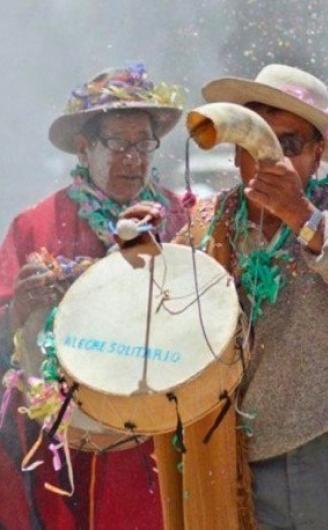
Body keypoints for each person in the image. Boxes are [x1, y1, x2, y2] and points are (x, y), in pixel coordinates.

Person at [153, 64, 328, 530]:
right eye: (257, 140)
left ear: (317, 154)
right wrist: (141, 253)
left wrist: (300, 214)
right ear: (236, 151)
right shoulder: (212, 222)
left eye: (289, 144)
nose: (271, 158)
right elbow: (170, 313)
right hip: (246, 461)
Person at [0, 63, 187, 530]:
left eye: (143, 143)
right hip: (61, 439)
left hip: (157, 433)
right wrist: (19, 309)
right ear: (84, 147)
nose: (133, 158)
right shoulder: (35, 224)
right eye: (118, 144)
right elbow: (7, 330)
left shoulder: (181, 220)